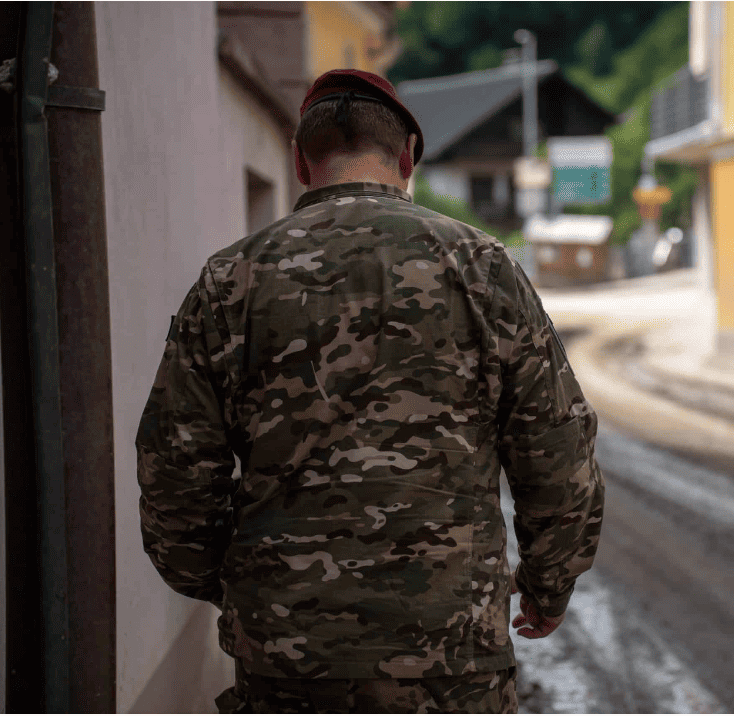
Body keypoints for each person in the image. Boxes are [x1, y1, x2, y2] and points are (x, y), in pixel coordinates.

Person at [135, 69, 605, 713]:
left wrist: (245, 586)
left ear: (301, 162)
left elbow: (174, 472)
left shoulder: (230, 281)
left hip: (288, 655)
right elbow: (558, 451)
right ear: (408, 156)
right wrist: (547, 585)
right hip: (450, 652)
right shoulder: (484, 267)